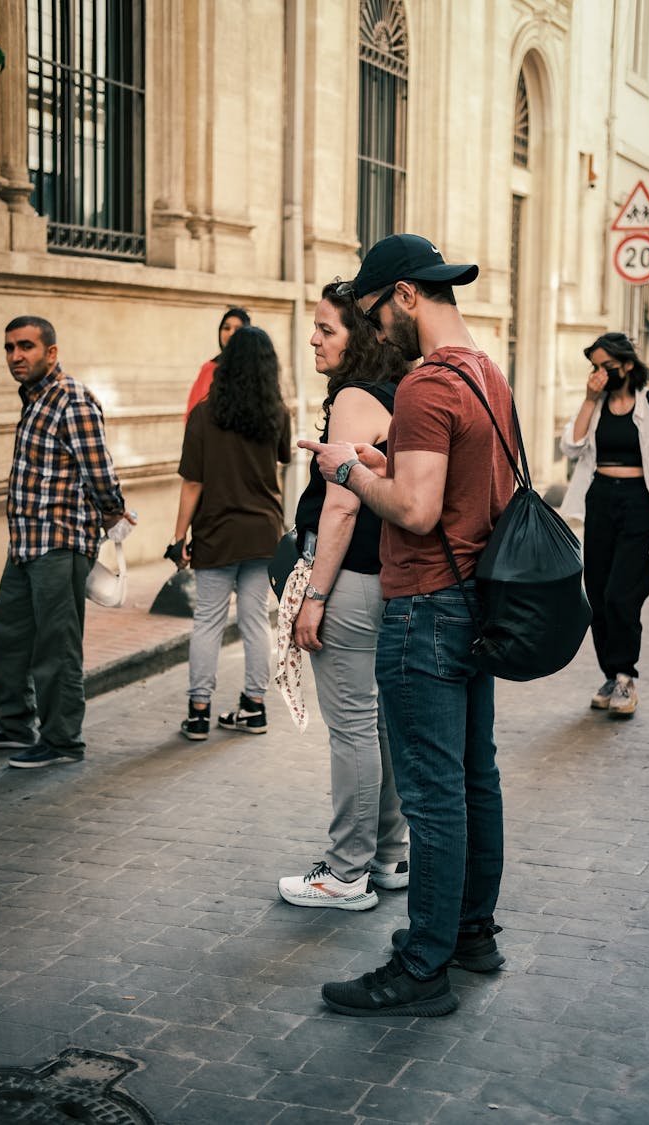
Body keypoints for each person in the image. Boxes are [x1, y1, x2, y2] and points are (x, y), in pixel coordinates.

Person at [298, 233, 516, 1018]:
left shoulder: (425, 385)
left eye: (373, 309)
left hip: (424, 604)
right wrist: (388, 468)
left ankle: (422, 965)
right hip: (476, 600)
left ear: (405, 296)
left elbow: (419, 512)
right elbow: (463, 493)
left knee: (432, 794)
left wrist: (347, 470)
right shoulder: (486, 372)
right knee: (473, 776)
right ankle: (471, 935)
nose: (374, 328)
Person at [277, 282, 409, 913]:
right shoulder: (396, 389)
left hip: (351, 583)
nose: (314, 339)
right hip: (384, 579)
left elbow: (341, 504)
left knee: (353, 728)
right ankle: (388, 854)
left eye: (327, 329)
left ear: (358, 335)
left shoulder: (355, 397)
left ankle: (346, 872)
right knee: (375, 724)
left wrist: (316, 595)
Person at [0, 316, 133, 769]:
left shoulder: (70, 399)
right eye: (9, 348)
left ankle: (62, 740)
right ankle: (16, 724)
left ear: (50, 353)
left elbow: (98, 469)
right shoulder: (36, 399)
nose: (16, 356)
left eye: (26, 347)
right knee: (6, 640)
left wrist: (113, 509)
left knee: (56, 648)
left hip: (59, 544)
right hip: (25, 545)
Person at [170, 325, 291, 740]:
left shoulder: (204, 414)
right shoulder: (277, 414)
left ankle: (199, 712)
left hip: (216, 532)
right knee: (256, 621)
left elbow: (192, 483)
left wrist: (178, 536)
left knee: (207, 621)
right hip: (262, 532)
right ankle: (254, 708)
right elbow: (282, 460)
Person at [560, 332, 649, 716]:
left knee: (622, 595)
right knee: (597, 595)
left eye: (606, 366)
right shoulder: (596, 405)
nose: (599, 373)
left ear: (628, 365)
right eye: (594, 367)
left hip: (639, 504)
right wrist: (587, 398)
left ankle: (625, 678)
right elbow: (571, 446)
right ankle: (610, 673)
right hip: (600, 500)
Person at [185, 307, 250, 420]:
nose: (231, 333)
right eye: (226, 328)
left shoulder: (256, 369)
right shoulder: (209, 368)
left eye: (238, 328)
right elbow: (192, 413)